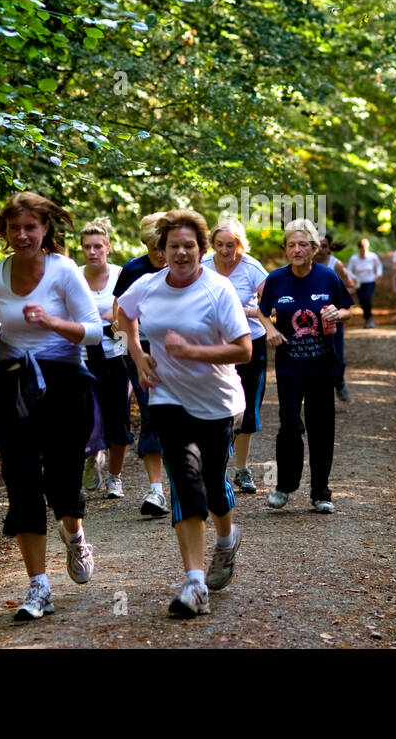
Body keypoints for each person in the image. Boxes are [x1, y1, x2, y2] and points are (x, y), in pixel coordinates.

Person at [0, 192, 104, 622]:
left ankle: (75, 534)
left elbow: (94, 332)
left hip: (66, 387)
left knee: (62, 482)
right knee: (22, 480)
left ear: (46, 229)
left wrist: (50, 322)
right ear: (5, 232)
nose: (22, 235)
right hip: (13, 387)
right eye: (15, 228)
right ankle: (39, 586)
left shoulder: (64, 271)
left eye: (30, 227)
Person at [117, 210, 252, 618]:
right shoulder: (148, 285)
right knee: (186, 484)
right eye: (173, 246)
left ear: (201, 250)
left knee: (212, 484)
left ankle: (227, 540)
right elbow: (121, 316)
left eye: (188, 246)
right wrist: (139, 356)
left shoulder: (218, 290)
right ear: (161, 250)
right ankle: (194, 584)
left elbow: (244, 349)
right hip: (167, 400)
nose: (180, 253)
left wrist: (193, 352)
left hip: (218, 403)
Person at [260, 218, 353, 513]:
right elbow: (262, 311)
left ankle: (321, 492)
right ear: (286, 249)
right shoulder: (276, 279)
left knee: (321, 427)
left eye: (303, 244)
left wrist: (338, 314)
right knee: (289, 423)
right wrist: (270, 329)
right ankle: (285, 485)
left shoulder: (327, 277)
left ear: (313, 248)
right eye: (291, 245)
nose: (297, 250)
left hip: (322, 365)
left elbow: (351, 308)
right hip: (289, 366)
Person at [202, 216, 271, 495]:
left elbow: (272, 307)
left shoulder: (253, 268)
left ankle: (242, 469)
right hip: (213, 345)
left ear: (240, 244)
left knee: (248, 408)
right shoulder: (203, 266)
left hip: (250, 342)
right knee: (216, 406)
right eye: (219, 244)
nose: (225, 250)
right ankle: (216, 469)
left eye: (231, 245)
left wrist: (249, 312)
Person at [111, 213, 169, 517]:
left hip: (181, 350)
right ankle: (156, 490)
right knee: (151, 413)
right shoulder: (134, 269)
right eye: (153, 247)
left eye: (164, 246)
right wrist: (126, 345)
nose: (160, 254)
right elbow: (119, 307)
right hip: (141, 349)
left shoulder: (184, 266)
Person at [79, 217, 131, 500]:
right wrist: (101, 318)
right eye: (87, 247)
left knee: (118, 417)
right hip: (83, 358)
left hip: (117, 355)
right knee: (87, 415)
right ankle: (91, 459)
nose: (92, 252)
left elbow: (129, 311)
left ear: (108, 247)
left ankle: (115, 477)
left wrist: (104, 318)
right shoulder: (74, 276)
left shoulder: (120, 275)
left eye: (98, 246)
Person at [314, 234, 355, 401]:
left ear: (330, 247)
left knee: (336, 353)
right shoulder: (305, 264)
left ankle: (340, 383)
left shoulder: (335, 264)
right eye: (318, 246)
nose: (321, 250)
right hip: (312, 318)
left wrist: (335, 298)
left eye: (325, 246)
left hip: (333, 317)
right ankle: (319, 393)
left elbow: (351, 287)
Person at [346, 237, 383, 329]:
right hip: (359, 283)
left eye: (365, 248)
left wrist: (377, 275)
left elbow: (379, 266)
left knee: (367, 298)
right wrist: (354, 277)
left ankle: (369, 318)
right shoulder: (354, 258)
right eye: (362, 248)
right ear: (359, 248)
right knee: (362, 301)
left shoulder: (373, 257)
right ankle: (368, 318)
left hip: (370, 281)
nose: (364, 250)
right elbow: (348, 270)